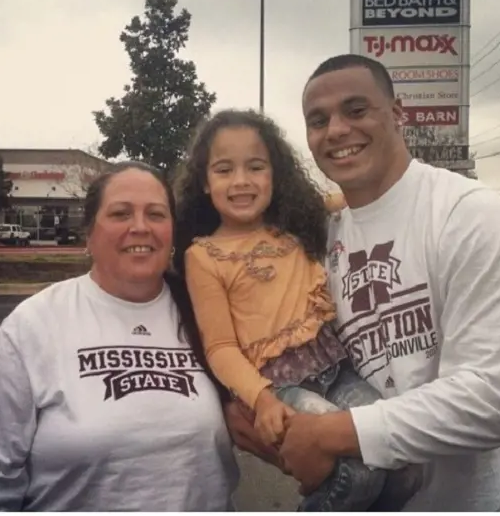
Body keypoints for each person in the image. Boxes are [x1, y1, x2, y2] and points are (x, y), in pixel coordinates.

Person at [226, 54, 500, 511]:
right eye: (318, 120)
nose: (335, 130)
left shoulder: (468, 215)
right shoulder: (318, 242)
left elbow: (491, 401)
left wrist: (328, 435)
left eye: (355, 110)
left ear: (397, 113)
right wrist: (267, 423)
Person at [0, 162, 238, 511]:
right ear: (89, 234)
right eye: (120, 213)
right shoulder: (34, 323)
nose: (140, 227)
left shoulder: (207, 314)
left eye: (155, 214)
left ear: (172, 231)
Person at [174, 108, 420, 511]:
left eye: (256, 166)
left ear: (276, 174)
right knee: (362, 471)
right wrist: (264, 400)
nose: (241, 181)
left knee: (404, 459)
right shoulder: (204, 256)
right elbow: (220, 347)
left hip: (337, 370)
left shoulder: (299, 224)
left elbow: (369, 192)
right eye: (223, 170)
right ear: (204, 181)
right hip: (280, 388)